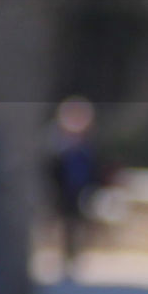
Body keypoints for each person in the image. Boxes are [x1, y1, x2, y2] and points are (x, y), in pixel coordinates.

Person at [46, 96, 100, 277]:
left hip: (81, 193)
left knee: (77, 227)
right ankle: (62, 259)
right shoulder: (58, 145)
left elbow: (93, 170)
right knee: (62, 227)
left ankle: (72, 259)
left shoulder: (87, 146)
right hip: (62, 193)